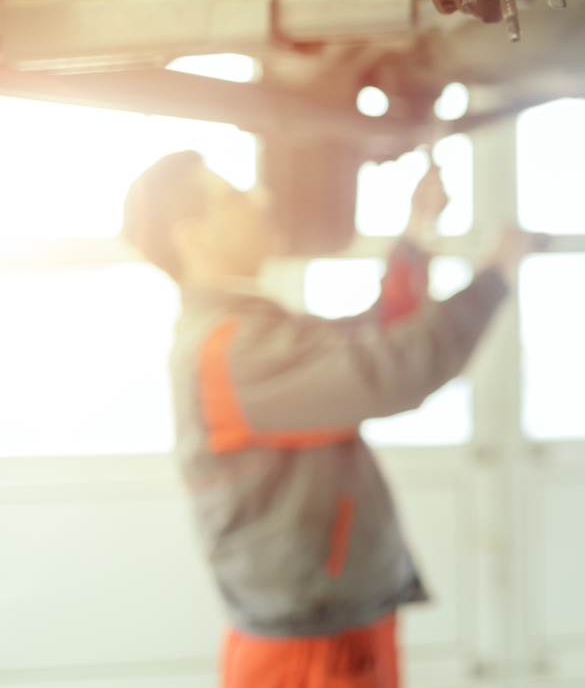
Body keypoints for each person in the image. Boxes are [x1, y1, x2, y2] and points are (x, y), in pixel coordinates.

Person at [122, 150, 527, 688]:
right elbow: (394, 369)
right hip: (310, 656)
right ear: (196, 236)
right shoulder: (230, 350)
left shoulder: (248, 331)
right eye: (234, 197)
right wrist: (495, 276)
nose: (260, 200)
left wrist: (417, 230)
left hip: (330, 631)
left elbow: (376, 334)